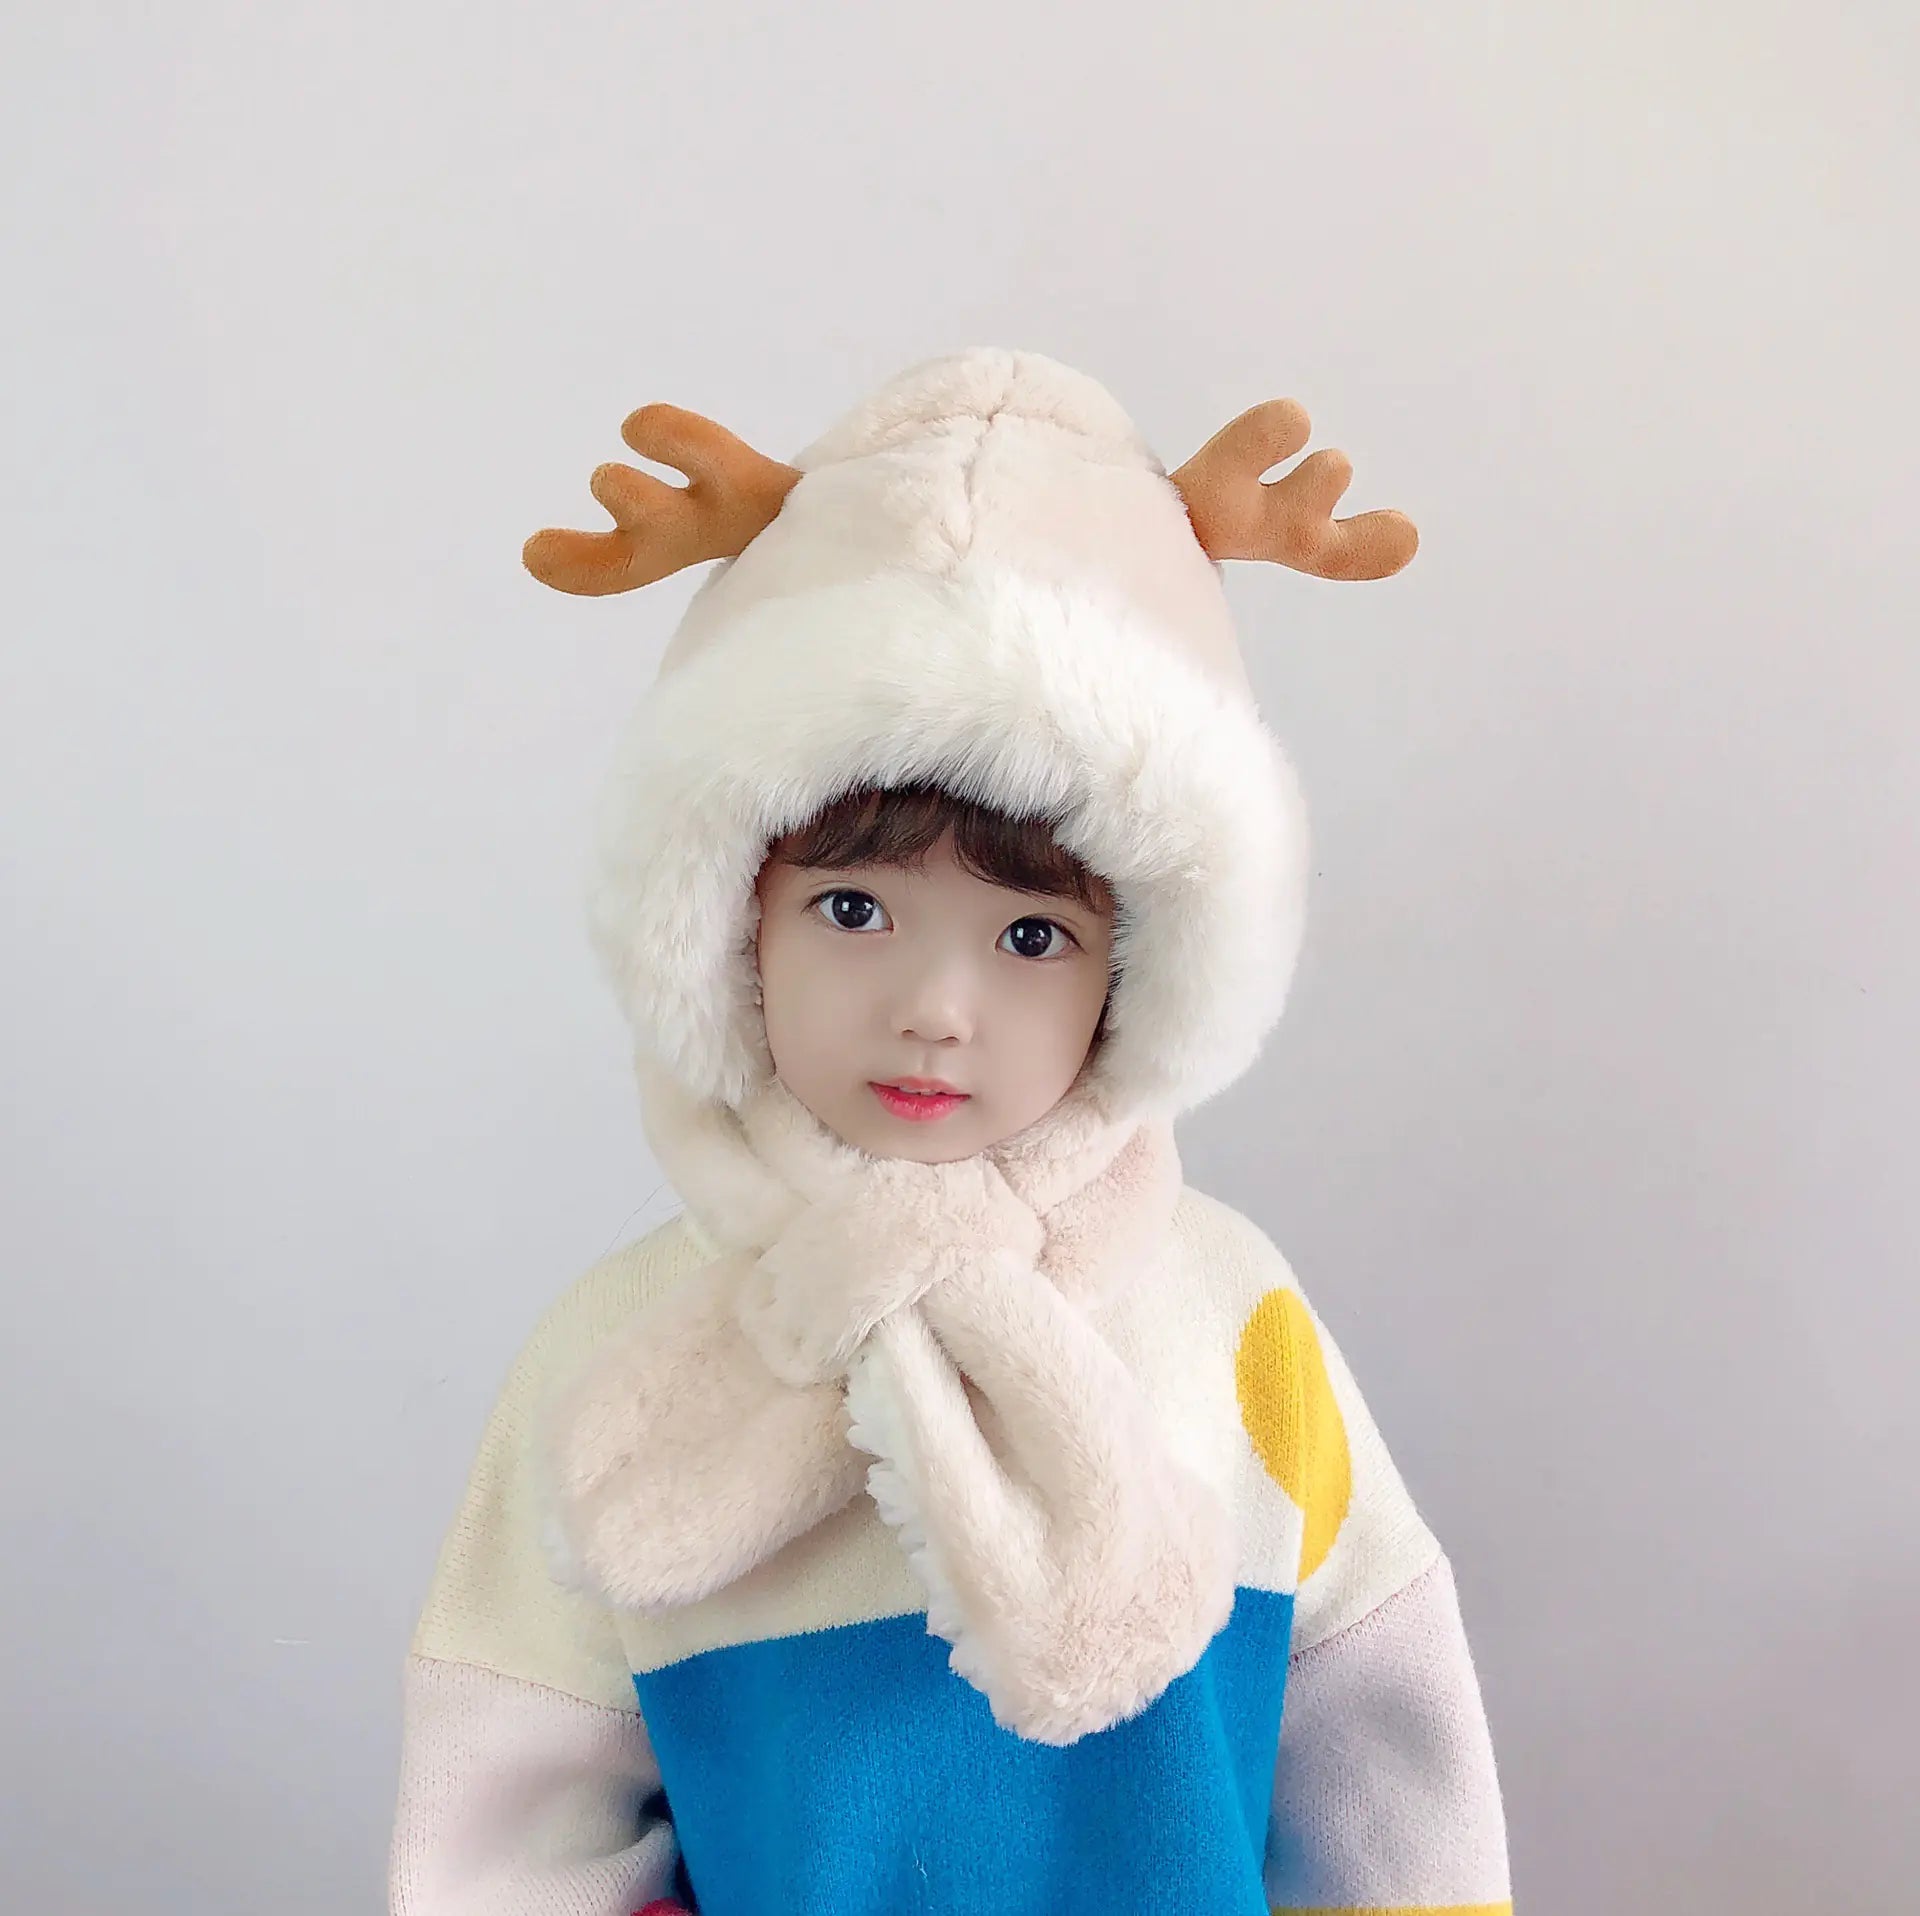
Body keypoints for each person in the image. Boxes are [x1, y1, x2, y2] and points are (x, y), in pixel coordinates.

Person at [387, 348, 1513, 1915]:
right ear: (725, 918)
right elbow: (506, 1819)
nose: (933, 1006)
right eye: (854, 908)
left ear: (1143, 971)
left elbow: (1388, 1770)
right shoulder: (615, 1357)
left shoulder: (1232, 1315)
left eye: (1031, 936)